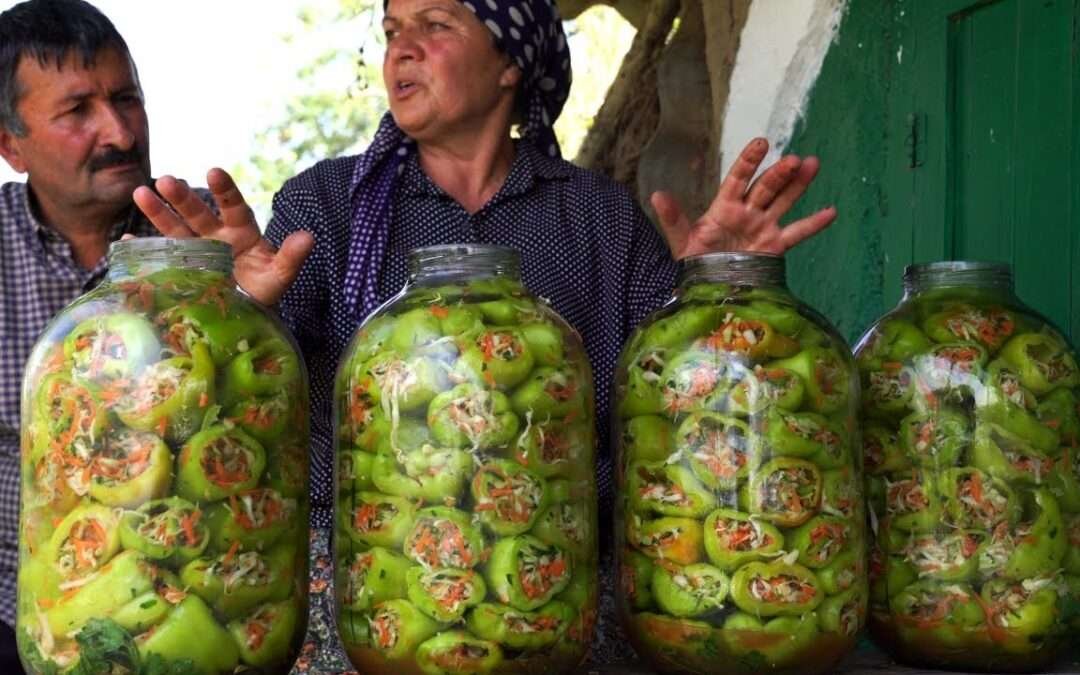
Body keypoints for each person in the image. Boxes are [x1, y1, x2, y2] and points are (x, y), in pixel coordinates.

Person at [133, 0, 835, 663]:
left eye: (434, 24)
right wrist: (239, 309)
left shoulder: (599, 218)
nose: (400, 49)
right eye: (390, 30)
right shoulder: (325, 203)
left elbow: (678, 395)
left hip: (554, 576)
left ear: (510, 62)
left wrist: (715, 289)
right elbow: (249, 409)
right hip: (363, 578)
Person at [0, 0, 153, 667]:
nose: (119, 131)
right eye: (77, 111)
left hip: (167, 609)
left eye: (127, 99)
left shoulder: (202, 244)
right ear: (10, 143)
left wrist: (247, 303)